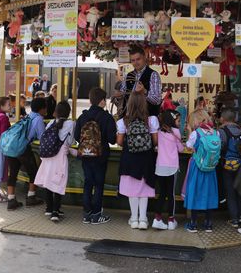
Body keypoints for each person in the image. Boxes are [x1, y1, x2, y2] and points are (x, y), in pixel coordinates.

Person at [74, 87, 117, 224]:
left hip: (86, 156)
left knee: (88, 183)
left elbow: (76, 137)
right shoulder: (106, 117)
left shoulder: (82, 117)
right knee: (98, 185)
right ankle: (97, 215)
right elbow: (112, 140)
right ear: (102, 101)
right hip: (100, 156)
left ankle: (87, 214)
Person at [116, 92, 158, 230]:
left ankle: (134, 219)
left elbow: (120, 142)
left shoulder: (123, 121)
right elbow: (155, 141)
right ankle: (143, 219)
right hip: (146, 157)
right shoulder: (151, 120)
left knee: (132, 189)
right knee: (144, 188)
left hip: (130, 158)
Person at [34, 101, 77, 222]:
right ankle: (55, 211)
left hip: (48, 158)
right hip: (60, 157)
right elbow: (71, 142)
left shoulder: (51, 123)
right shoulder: (71, 123)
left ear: (56, 112)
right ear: (68, 112)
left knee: (48, 181)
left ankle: (49, 208)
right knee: (58, 182)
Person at [5, 97, 45, 210]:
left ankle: (11, 200)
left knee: (13, 173)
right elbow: (43, 138)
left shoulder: (27, 116)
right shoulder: (38, 119)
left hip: (13, 147)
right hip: (23, 148)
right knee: (33, 173)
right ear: (42, 109)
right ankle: (31, 197)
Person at [184, 109, 220, 233]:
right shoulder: (216, 133)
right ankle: (208, 224)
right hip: (211, 168)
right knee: (209, 192)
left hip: (197, 167)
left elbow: (188, 146)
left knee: (195, 191)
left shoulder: (196, 133)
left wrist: (189, 131)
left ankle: (193, 224)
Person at [152, 109, 184, 230]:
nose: (180, 122)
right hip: (172, 167)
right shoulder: (176, 132)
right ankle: (171, 220)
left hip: (160, 167)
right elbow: (180, 149)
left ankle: (157, 218)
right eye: (178, 120)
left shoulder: (159, 132)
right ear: (172, 119)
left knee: (161, 194)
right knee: (170, 194)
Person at [117, 46, 162, 117]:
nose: (135, 63)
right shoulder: (128, 75)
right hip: (129, 118)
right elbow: (122, 95)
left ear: (144, 58)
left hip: (148, 119)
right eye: (133, 60)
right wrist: (118, 96)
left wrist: (144, 91)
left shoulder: (153, 75)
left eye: (138, 59)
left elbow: (157, 100)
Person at [218, 108, 241, 228]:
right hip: (240, 164)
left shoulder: (222, 131)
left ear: (222, 119)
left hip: (227, 164)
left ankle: (233, 218)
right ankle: (240, 216)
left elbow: (220, 146)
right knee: (239, 189)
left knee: (230, 191)